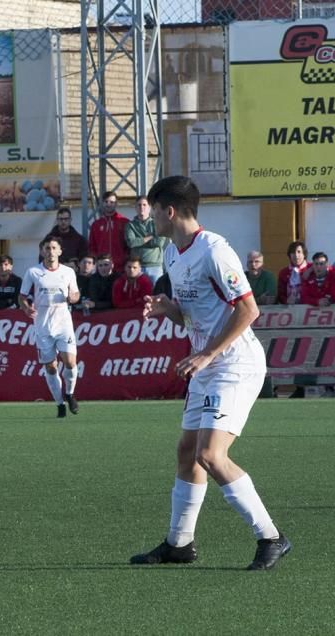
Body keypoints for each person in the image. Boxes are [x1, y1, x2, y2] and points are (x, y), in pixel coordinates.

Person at [131, 175, 290, 571]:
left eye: (152, 211)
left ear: (169, 211)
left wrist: (207, 354)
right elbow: (193, 312)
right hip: (208, 363)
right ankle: (179, 543)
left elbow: (248, 310)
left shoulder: (215, 251)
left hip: (235, 364)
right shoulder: (172, 253)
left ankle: (271, 536)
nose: (149, 219)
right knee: (187, 452)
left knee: (210, 454)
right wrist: (169, 309)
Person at [19, 237, 81, 418]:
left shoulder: (68, 272)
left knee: (70, 362)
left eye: (54, 248)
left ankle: (69, 394)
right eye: (47, 248)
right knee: (51, 367)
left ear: (60, 251)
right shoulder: (33, 272)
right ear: (42, 251)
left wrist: (72, 297)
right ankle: (59, 403)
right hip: (43, 325)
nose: (51, 251)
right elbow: (22, 296)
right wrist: (26, 308)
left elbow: (75, 293)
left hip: (63, 323)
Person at [124, 195, 168, 284]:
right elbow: (131, 243)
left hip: (155, 267)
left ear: (149, 207)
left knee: (156, 294)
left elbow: (159, 242)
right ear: (135, 207)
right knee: (139, 295)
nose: (141, 207)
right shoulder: (130, 225)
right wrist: (149, 237)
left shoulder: (157, 223)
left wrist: (139, 241)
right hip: (137, 267)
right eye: (139, 205)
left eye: (144, 205)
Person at [88, 191, 130, 271]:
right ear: (102, 203)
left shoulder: (124, 222)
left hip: (120, 267)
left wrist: (124, 259)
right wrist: (97, 260)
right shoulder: (96, 224)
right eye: (106, 202)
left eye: (112, 202)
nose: (109, 204)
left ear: (116, 204)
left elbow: (129, 245)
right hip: (102, 268)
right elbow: (92, 246)